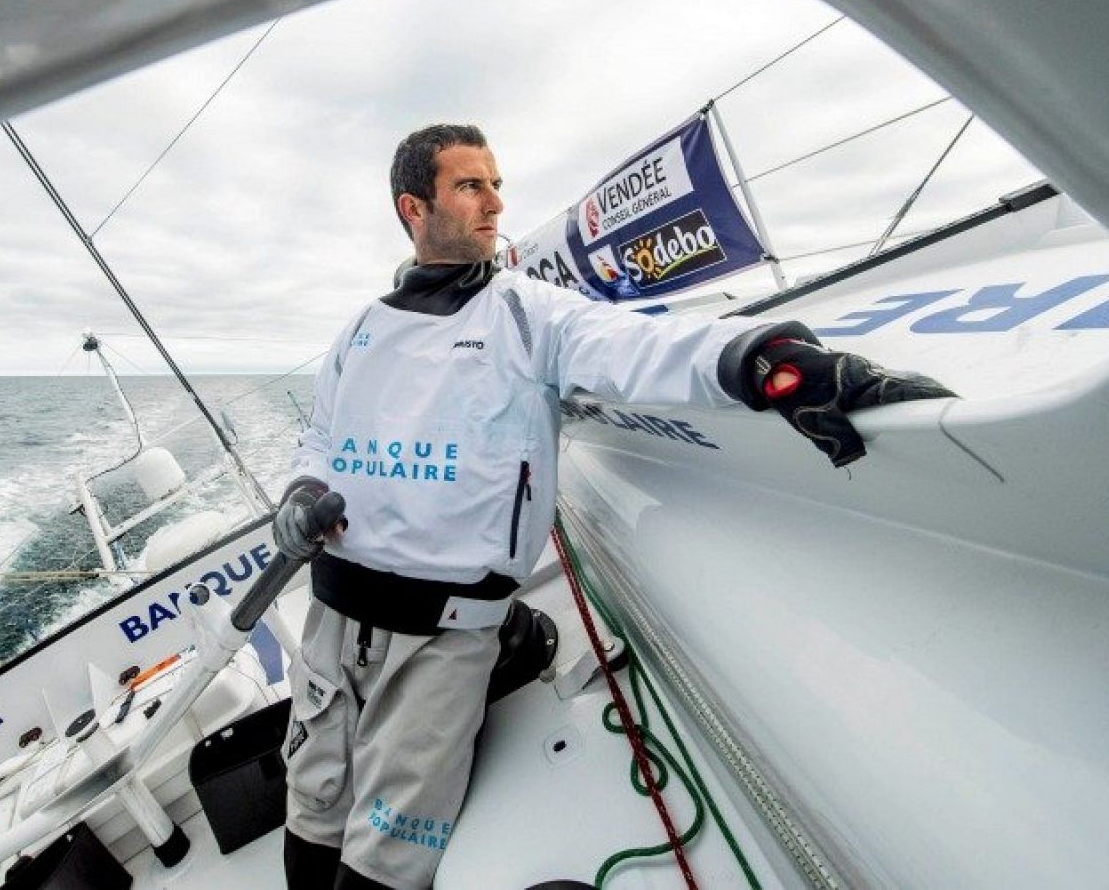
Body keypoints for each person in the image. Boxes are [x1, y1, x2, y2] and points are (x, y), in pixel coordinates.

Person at [273, 124, 952, 889]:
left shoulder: (527, 313)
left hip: (442, 639)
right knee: (312, 810)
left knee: (382, 867)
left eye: (496, 182)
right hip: (332, 618)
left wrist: (764, 360)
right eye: (470, 185)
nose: (495, 201)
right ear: (414, 207)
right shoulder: (361, 330)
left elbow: (636, 345)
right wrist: (300, 493)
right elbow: (320, 438)